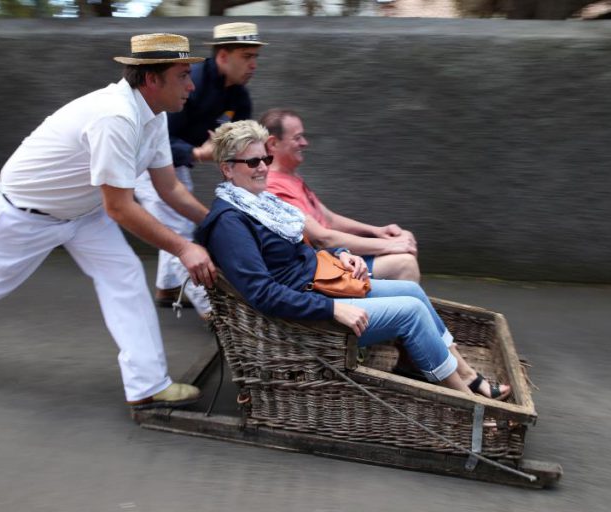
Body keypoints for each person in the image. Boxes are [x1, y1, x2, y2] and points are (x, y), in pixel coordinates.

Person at [0, 33, 218, 412]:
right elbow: (121, 209)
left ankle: (147, 386)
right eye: (183, 75)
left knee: (124, 276)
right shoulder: (116, 117)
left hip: (84, 213)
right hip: (25, 215)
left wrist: (214, 223)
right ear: (151, 79)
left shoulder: (154, 116)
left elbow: (169, 188)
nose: (192, 85)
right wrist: (183, 246)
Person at [195, 120, 509, 399]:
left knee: (412, 292)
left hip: (321, 287)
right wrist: (332, 308)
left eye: (266, 158)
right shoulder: (229, 222)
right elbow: (262, 293)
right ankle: (467, 402)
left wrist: (340, 254)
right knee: (411, 312)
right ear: (227, 168)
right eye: (253, 162)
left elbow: (301, 251)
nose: (263, 167)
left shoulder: (261, 203)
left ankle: (464, 374)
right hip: (303, 317)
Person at [135, 22, 265, 317]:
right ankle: (215, 312)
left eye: (256, 57)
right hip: (143, 162)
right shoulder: (189, 83)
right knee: (178, 231)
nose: (254, 65)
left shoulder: (239, 98)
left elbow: (239, 148)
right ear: (222, 56)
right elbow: (158, 139)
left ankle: (168, 289)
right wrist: (196, 152)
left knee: (176, 222)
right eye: (247, 57)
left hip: (175, 164)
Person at [260, 108, 421, 283]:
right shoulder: (272, 187)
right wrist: (390, 246)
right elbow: (322, 238)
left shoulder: (291, 176)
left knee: (403, 238)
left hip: (336, 255)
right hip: (322, 268)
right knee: (405, 262)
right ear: (273, 144)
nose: (305, 143)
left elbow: (330, 219)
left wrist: (378, 231)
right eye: (297, 138)